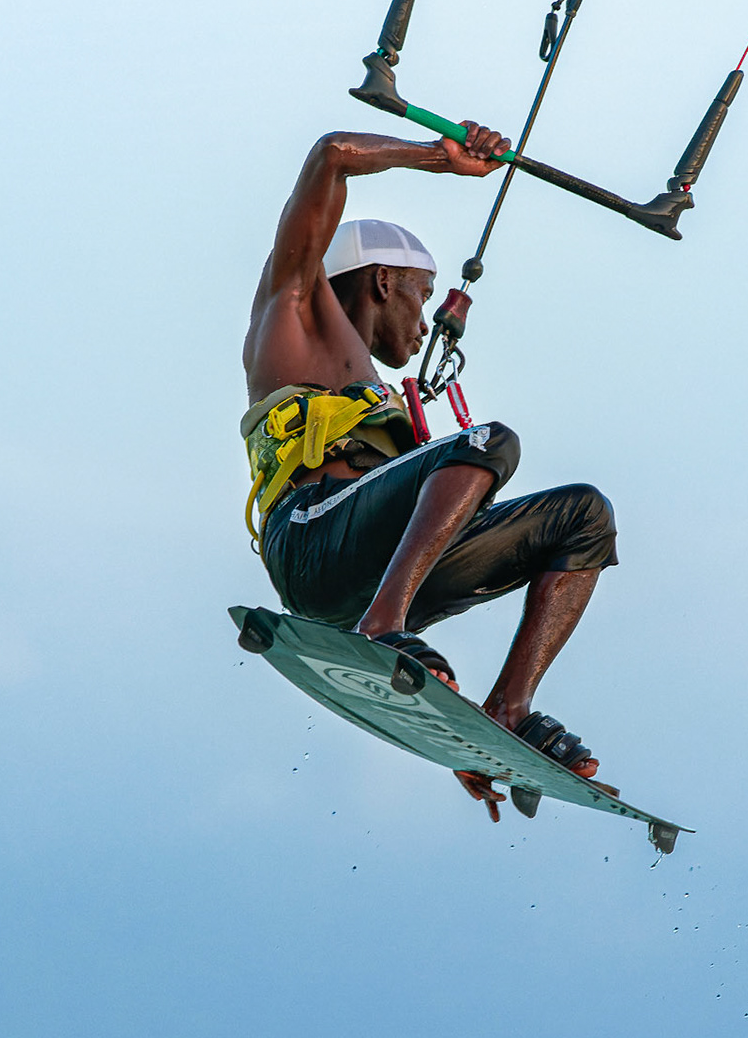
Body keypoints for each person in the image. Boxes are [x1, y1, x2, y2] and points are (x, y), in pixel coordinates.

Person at [241, 126, 620, 821]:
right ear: (384, 280)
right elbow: (331, 155)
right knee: (489, 442)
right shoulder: (291, 317)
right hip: (313, 544)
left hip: (372, 570)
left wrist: (446, 726)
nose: (422, 323)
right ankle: (384, 628)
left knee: (584, 515)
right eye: (421, 294)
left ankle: (506, 710)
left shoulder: (376, 390)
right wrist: (439, 160)